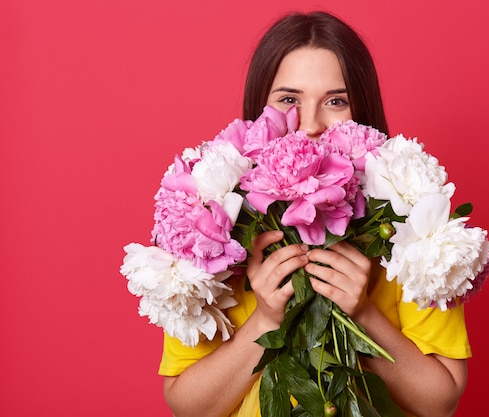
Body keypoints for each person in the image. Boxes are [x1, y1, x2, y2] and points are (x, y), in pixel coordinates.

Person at [159, 11, 471, 417]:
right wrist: (264, 322)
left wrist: (362, 315)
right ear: (259, 112)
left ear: (362, 112)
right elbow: (187, 406)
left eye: (336, 101)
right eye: (289, 100)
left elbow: (440, 402)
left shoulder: (414, 224)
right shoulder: (205, 223)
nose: (309, 125)